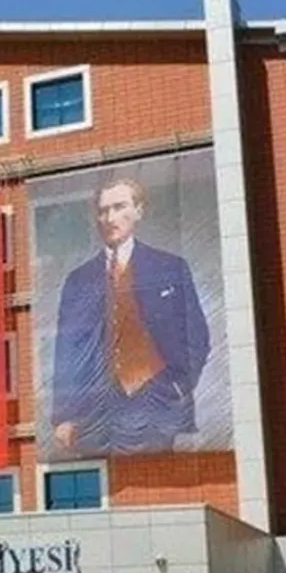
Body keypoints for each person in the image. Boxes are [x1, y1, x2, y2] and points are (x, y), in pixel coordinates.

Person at [48, 177, 210, 457]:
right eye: (103, 211)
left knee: (152, 478)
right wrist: (64, 415)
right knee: (105, 480)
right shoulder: (78, 280)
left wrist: (177, 387)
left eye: (119, 207)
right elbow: (67, 351)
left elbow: (197, 336)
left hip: (153, 398)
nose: (110, 218)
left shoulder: (169, 267)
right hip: (95, 408)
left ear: (138, 211)